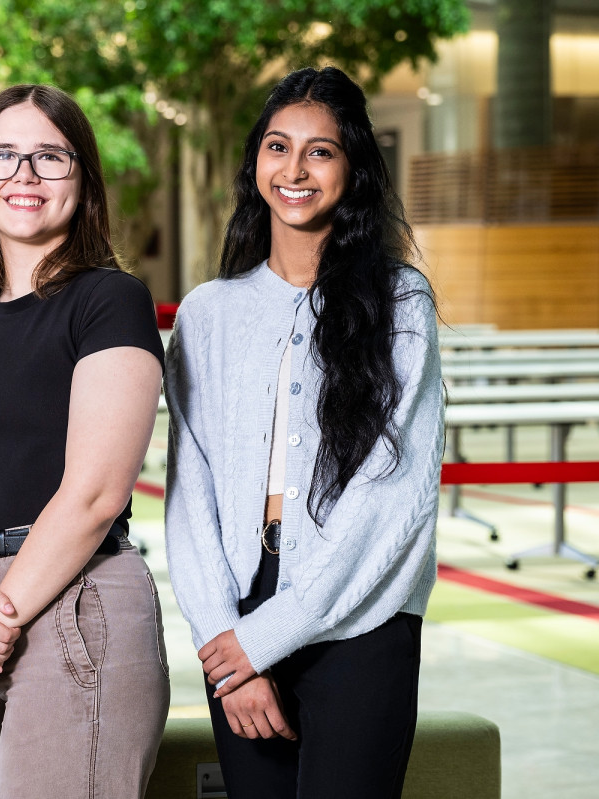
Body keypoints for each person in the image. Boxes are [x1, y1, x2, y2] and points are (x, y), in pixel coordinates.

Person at [164, 65, 444, 798]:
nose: (294, 169)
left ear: (352, 168)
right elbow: (188, 498)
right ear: (255, 160)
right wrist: (226, 641)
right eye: (277, 147)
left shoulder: (401, 303)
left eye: (320, 151)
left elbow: (392, 496)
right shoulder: (207, 313)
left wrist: (261, 640)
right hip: (238, 615)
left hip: (362, 621)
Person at [0, 84, 170, 798]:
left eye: (50, 157)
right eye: (5, 156)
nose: (24, 175)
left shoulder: (111, 301)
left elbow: (94, 494)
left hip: (74, 599)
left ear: (82, 180)